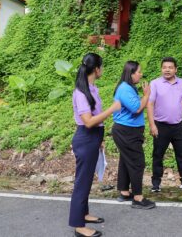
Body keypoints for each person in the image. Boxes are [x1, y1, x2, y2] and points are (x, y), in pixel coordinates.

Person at [69, 53, 121, 237]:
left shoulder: (91, 88)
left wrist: (100, 139)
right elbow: (89, 121)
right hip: (85, 137)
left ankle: (84, 213)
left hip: (93, 138)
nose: (103, 70)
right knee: (82, 182)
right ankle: (78, 225)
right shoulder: (81, 93)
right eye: (102, 67)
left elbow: (95, 122)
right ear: (97, 69)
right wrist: (111, 109)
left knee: (86, 179)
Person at [147, 57, 182, 192]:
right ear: (161, 69)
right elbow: (150, 104)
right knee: (158, 155)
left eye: (170, 67)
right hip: (160, 125)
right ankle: (156, 184)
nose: (167, 70)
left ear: (175, 69)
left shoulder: (181, 83)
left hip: (178, 125)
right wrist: (152, 125)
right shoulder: (155, 83)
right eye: (164, 67)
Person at [112, 60, 156, 209]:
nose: (141, 74)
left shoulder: (129, 88)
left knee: (126, 161)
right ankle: (138, 198)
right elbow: (137, 108)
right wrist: (146, 95)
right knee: (137, 162)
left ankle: (124, 192)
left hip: (128, 130)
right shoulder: (125, 89)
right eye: (139, 72)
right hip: (126, 131)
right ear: (131, 74)